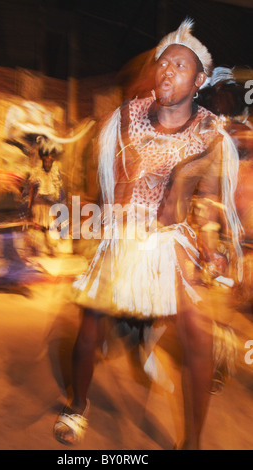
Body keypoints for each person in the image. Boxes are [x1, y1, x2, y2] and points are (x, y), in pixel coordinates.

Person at [54, 18, 243, 450]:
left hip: (169, 244)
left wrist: (215, 247)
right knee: (89, 332)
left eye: (179, 65)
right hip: (122, 238)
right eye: (163, 63)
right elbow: (111, 181)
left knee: (199, 335)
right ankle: (77, 405)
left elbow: (212, 199)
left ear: (198, 81)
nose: (166, 71)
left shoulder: (211, 133)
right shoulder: (128, 117)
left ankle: (192, 443)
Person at [27, 136, 65, 256]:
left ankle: (51, 248)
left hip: (50, 206)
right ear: (43, 160)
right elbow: (32, 191)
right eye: (46, 160)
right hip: (38, 205)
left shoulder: (55, 172)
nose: (48, 162)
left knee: (51, 228)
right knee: (38, 227)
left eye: (51, 160)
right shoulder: (36, 172)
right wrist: (30, 207)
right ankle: (37, 249)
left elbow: (58, 191)